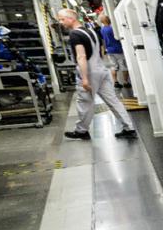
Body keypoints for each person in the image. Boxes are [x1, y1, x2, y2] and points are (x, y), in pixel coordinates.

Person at [57, 8, 136, 141]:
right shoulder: (91, 31)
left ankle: (81, 130)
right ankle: (129, 127)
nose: (60, 22)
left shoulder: (75, 35)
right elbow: (100, 49)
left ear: (71, 18)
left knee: (85, 102)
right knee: (113, 100)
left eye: (62, 19)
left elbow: (81, 56)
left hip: (89, 71)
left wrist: (85, 78)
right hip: (101, 68)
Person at [98, 13, 128, 89]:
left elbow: (103, 40)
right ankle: (126, 82)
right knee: (123, 65)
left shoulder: (102, 30)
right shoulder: (112, 29)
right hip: (118, 49)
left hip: (110, 50)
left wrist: (104, 50)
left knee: (114, 67)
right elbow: (118, 37)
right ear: (107, 20)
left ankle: (115, 82)